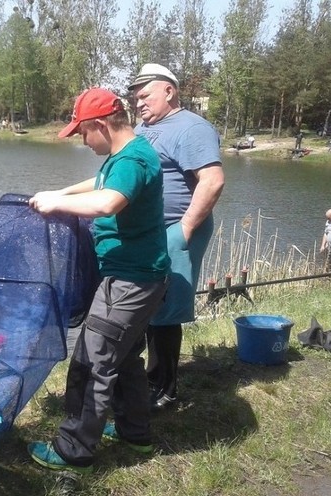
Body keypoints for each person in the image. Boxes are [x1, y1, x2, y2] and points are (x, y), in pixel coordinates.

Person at [26, 87, 170, 473]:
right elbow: (100, 182)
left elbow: (108, 202)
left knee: (92, 361)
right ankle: (134, 433)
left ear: (102, 125)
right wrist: (62, 191)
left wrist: (56, 204)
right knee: (123, 359)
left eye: (82, 133)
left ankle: (74, 450)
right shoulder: (123, 157)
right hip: (136, 277)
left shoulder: (134, 159)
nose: (82, 141)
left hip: (131, 281)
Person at [128, 63, 225, 412]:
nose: (138, 102)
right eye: (135, 97)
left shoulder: (193, 128)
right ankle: (138, 379)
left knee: (165, 309)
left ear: (169, 91)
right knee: (144, 304)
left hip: (175, 229)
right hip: (148, 230)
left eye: (145, 95)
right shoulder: (144, 128)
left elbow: (212, 181)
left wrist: (183, 230)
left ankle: (163, 390)